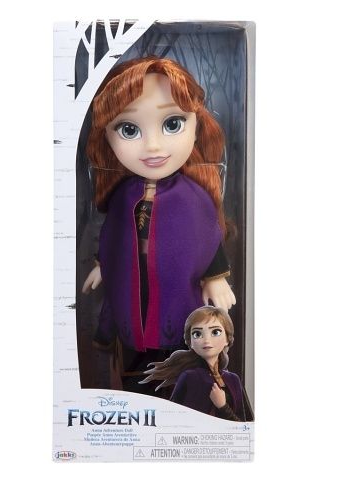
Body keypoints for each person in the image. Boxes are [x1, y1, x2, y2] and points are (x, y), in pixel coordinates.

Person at [82, 57, 236, 394]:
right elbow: (113, 234)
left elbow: (207, 235)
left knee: (178, 351)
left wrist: (215, 276)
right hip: (130, 290)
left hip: (176, 292)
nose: (153, 146)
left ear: (197, 124)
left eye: (172, 124)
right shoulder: (123, 195)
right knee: (132, 358)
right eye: (129, 129)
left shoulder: (193, 197)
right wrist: (103, 264)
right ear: (106, 135)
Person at [140, 306, 246, 421]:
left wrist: (222, 406)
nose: (206, 340)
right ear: (190, 342)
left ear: (227, 339)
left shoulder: (233, 379)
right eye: (197, 334)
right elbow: (176, 419)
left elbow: (243, 425)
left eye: (215, 332)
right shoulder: (190, 377)